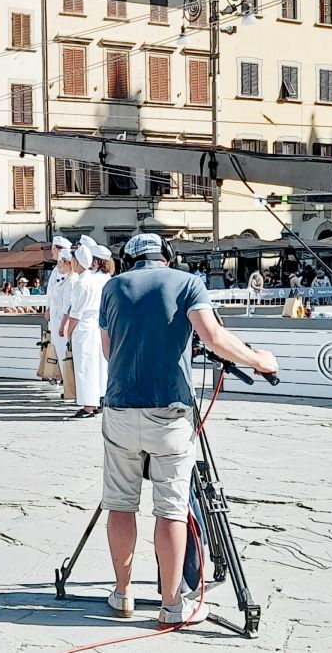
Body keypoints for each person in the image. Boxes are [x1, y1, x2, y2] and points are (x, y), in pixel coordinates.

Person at [97, 233, 278, 628]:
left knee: (121, 505)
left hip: (121, 407)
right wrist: (259, 361)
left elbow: (109, 351)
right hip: (169, 412)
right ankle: (172, 605)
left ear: (129, 259)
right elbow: (213, 338)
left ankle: (123, 594)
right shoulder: (188, 282)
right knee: (172, 509)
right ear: (167, 256)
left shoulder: (112, 288)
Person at [62, 240, 108, 419]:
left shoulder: (82, 283)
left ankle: (88, 405)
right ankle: (93, 401)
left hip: (83, 327)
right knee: (93, 366)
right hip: (93, 326)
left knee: (84, 367)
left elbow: (76, 312)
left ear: (77, 262)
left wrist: (69, 331)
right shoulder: (93, 280)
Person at [46, 247, 78, 384]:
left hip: (61, 319)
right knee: (60, 350)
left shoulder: (71, 280)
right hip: (56, 317)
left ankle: (68, 382)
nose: (58, 266)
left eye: (61, 263)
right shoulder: (62, 278)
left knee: (64, 351)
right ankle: (66, 381)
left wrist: (63, 325)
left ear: (68, 263)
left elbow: (67, 306)